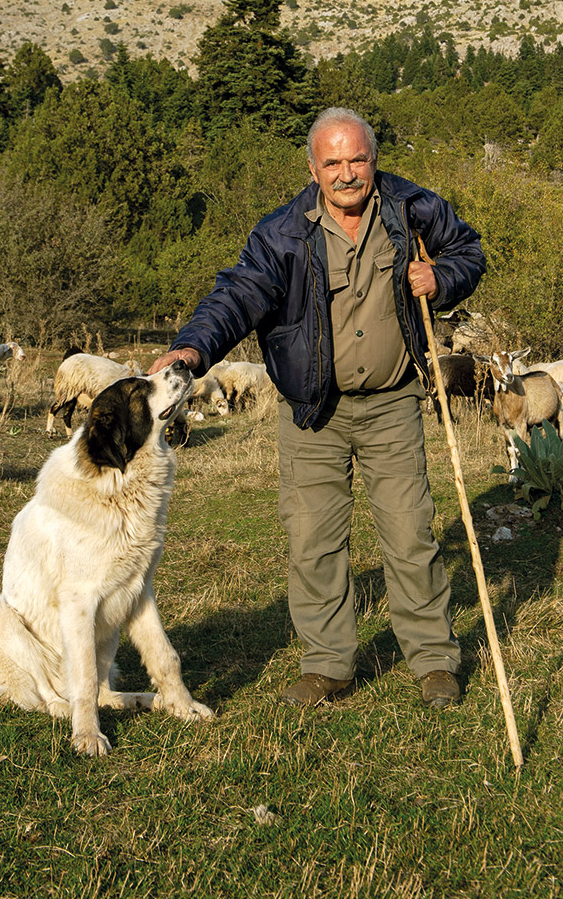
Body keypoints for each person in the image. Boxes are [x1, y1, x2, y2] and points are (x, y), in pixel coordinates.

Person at [148, 107, 485, 708]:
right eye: (333, 162)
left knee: (410, 533)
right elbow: (239, 294)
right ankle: (328, 665)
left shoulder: (414, 211)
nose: (347, 173)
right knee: (312, 539)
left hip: (393, 401)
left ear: (373, 160)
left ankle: (433, 661)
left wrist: (443, 278)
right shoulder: (282, 233)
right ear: (313, 167)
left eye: (357, 159)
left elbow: (468, 252)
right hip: (312, 409)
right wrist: (194, 346)